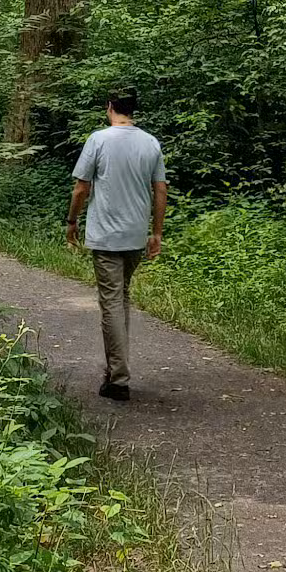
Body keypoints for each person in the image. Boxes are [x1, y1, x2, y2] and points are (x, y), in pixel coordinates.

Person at [66, 89, 167, 401]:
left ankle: (119, 378)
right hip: (135, 235)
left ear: (109, 107)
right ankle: (115, 371)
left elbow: (82, 187)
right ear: (132, 110)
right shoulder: (150, 142)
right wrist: (157, 233)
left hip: (107, 235)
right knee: (120, 297)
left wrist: (72, 221)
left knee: (111, 301)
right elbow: (160, 190)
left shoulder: (99, 139)